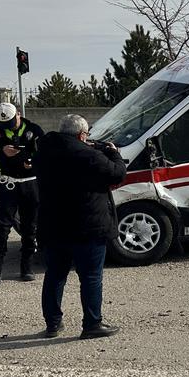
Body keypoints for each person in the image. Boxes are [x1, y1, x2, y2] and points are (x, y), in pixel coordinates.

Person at [34, 114, 126, 339]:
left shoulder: (43, 152)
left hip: (53, 225)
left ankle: (53, 324)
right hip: (87, 226)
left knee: (55, 275)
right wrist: (113, 152)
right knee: (91, 276)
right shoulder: (88, 155)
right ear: (82, 134)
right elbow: (117, 172)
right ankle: (92, 324)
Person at [0, 102, 45, 285]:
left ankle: (27, 267)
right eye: (5, 125)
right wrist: (2, 153)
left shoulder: (34, 129)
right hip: (7, 185)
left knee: (30, 227)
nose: (10, 127)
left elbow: (46, 154)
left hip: (30, 184)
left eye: (12, 122)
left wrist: (32, 162)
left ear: (19, 114)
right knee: (1, 228)